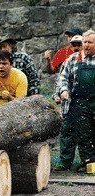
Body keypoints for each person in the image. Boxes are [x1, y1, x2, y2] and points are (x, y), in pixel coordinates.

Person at [56, 29, 95, 173]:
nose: (86, 45)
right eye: (85, 42)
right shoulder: (73, 59)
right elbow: (63, 78)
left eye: (90, 42)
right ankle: (89, 164)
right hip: (80, 103)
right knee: (84, 135)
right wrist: (64, 90)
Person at [52, 35, 83, 108]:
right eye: (74, 45)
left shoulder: (90, 61)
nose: (76, 48)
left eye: (79, 45)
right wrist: (56, 95)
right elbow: (61, 79)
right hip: (69, 102)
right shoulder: (68, 62)